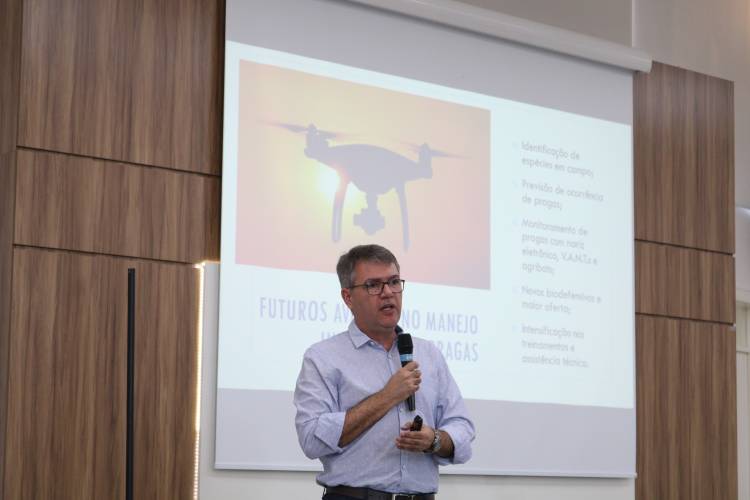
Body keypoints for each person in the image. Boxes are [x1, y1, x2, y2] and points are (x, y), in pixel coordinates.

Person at [294, 244, 475, 499]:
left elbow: (462, 428)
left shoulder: (429, 354)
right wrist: (388, 396)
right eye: (373, 285)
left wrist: (433, 440)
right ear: (348, 297)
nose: (388, 292)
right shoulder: (322, 357)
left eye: (394, 282)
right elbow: (311, 439)